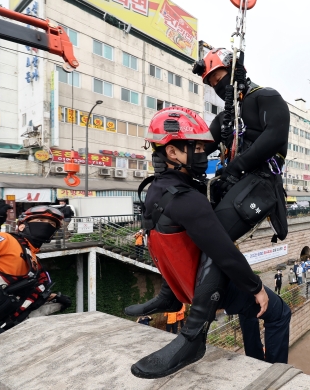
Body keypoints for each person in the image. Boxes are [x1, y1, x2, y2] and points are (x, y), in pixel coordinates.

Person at [123, 107, 291, 379]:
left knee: (251, 311)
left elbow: (176, 247)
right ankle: (274, 375)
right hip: (206, 289)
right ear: (172, 153)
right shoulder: (188, 199)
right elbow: (223, 253)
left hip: (182, 285)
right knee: (278, 311)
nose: (203, 154)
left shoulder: (156, 189)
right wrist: (256, 287)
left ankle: (168, 298)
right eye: (197, 148)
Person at [194, 48, 290, 241]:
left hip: (262, 178)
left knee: (214, 237)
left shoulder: (266, 97)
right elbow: (201, 147)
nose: (216, 86)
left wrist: (236, 168)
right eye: (212, 85)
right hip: (237, 182)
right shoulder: (224, 120)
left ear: (234, 71)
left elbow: (275, 135)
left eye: (218, 78)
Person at [0, 200, 72, 340]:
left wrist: (55, 297)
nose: (46, 225)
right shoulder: (6, 240)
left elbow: (24, 291)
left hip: (0, 320)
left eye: (52, 224)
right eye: (40, 220)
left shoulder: (34, 261)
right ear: (21, 226)